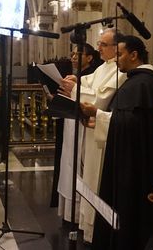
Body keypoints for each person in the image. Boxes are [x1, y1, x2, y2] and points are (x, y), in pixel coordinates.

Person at [80, 35, 153, 250]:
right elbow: (126, 119)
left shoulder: (144, 83)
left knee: (130, 207)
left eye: (120, 54)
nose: (116, 59)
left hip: (135, 161)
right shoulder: (135, 80)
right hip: (125, 154)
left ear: (134, 54)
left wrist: (98, 114)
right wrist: (100, 120)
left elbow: (135, 124)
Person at [56, 29, 127, 240]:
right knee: (88, 178)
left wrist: (75, 88)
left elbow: (100, 99)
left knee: (95, 180)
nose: (98, 48)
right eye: (99, 43)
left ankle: (95, 229)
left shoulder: (120, 70)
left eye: (103, 44)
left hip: (102, 132)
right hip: (91, 130)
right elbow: (89, 83)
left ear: (116, 47)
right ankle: (86, 226)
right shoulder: (105, 67)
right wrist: (75, 80)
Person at [50, 42, 102, 208]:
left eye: (77, 54)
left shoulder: (98, 71)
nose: (73, 57)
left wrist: (74, 89)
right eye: (71, 54)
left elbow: (96, 99)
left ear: (89, 57)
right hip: (71, 123)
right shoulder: (83, 74)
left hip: (86, 125)